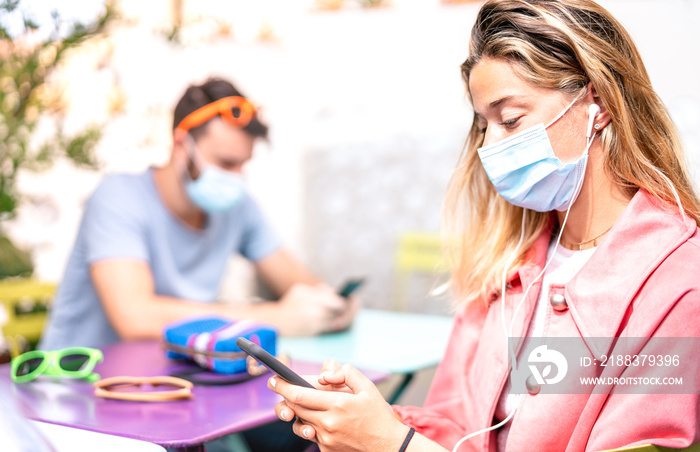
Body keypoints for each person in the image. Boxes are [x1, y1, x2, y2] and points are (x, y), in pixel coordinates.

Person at [267, 1, 700, 451]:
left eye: (510, 119)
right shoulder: (509, 267)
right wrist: (366, 422)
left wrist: (394, 444)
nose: (490, 145)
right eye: (483, 125)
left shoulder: (678, 284)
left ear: (600, 102)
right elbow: (455, 427)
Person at [40, 77, 358, 351]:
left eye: (243, 164)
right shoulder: (118, 198)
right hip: (73, 392)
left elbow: (294, 278)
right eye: (226, 163)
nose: (237, 176)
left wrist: (329, 303)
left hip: (166, 388)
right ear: (182, 144)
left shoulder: (238, 206)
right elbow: (135, 317)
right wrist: (278, 319)